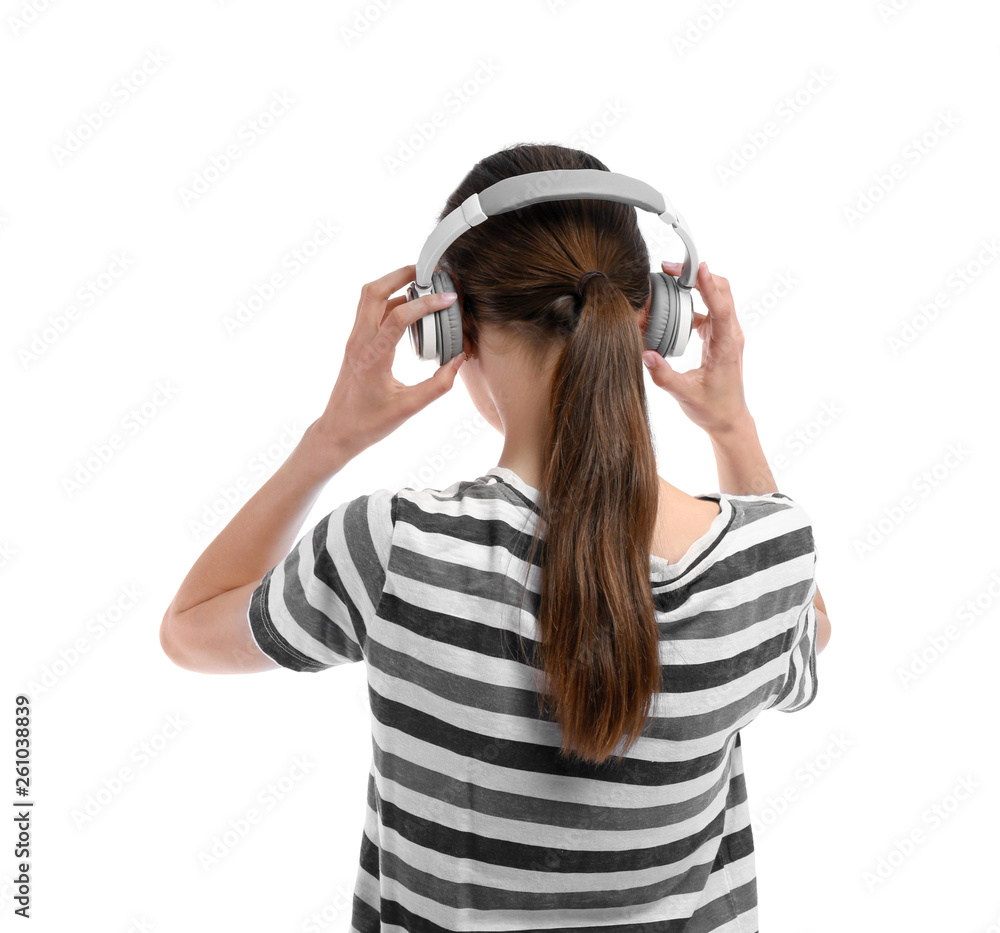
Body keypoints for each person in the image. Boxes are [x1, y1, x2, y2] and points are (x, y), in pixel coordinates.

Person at [160, 142, 831, 932]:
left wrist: (331, 438)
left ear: (451, 327)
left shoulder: (394, 547)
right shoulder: (767, 559)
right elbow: (807, 629)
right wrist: (732, 423)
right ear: (652, 316)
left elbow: (189, 629)